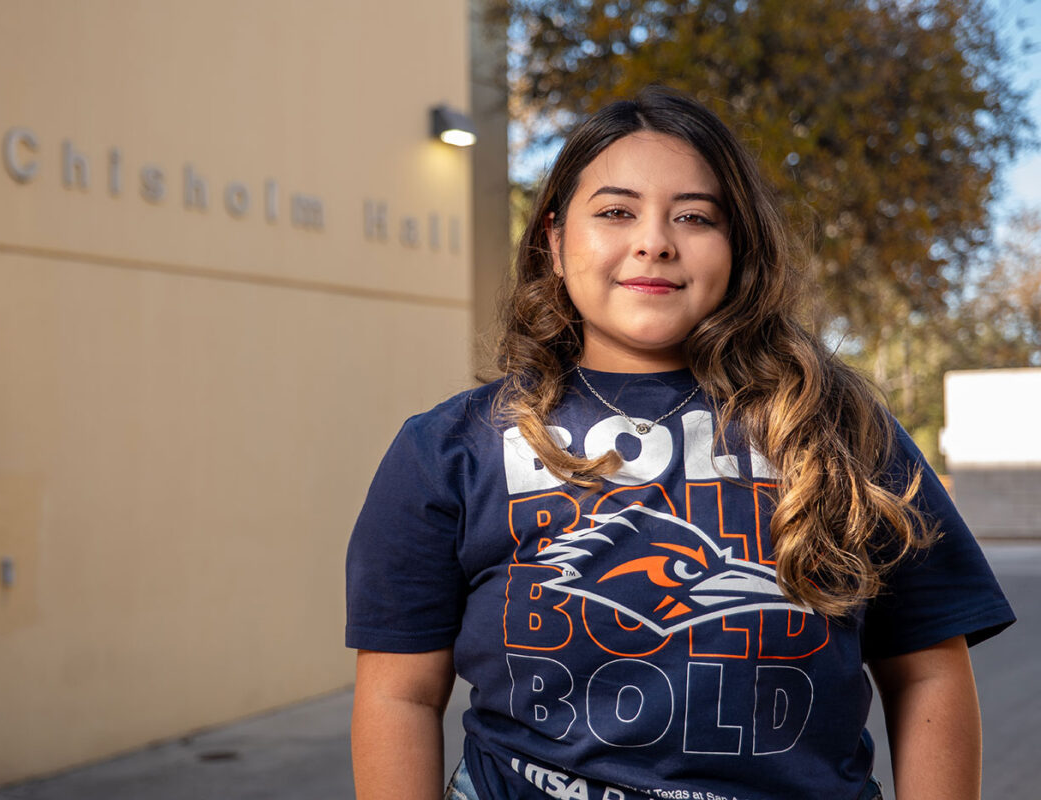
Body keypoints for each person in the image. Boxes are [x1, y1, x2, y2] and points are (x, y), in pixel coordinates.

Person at [345, 86, 1014, 800]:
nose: (655, 240)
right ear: (555, 239)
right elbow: (401, 697)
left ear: (739, 244)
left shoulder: (837, 427)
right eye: (615, 211)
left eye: (695, 216)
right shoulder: (448, 451)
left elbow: (928, 671)